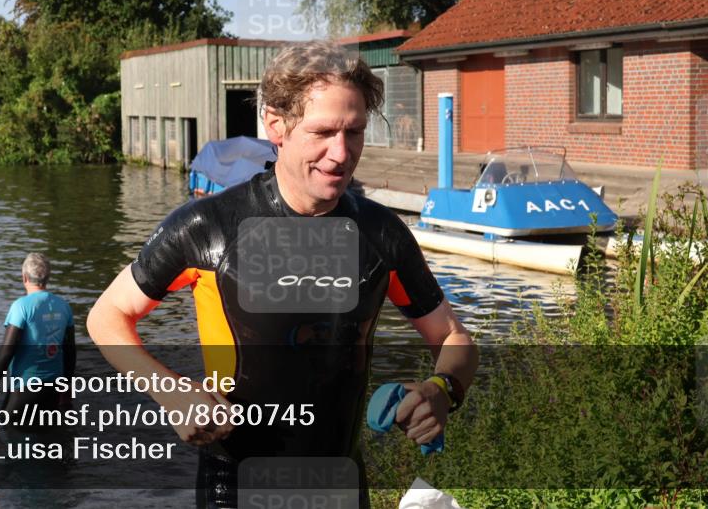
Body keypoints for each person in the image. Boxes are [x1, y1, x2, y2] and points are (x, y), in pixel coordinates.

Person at [88, 41, 478, 507]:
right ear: (276, 124)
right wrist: (170, 390)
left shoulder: (381, 234)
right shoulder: (207, 228)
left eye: (353, 131)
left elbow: (453, 337)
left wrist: (442, 389)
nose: (341, 154)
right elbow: (107, 315)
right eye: (323, 132)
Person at [0, 253, 75, 415]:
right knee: (49, 435)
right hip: (54, 388)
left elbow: (7, 350)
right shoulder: (64, 306)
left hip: (25, 388)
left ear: (24, 277)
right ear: (48, 277)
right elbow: (70, 351)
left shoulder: (21, 307)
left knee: (2, 431)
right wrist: (67, 388)